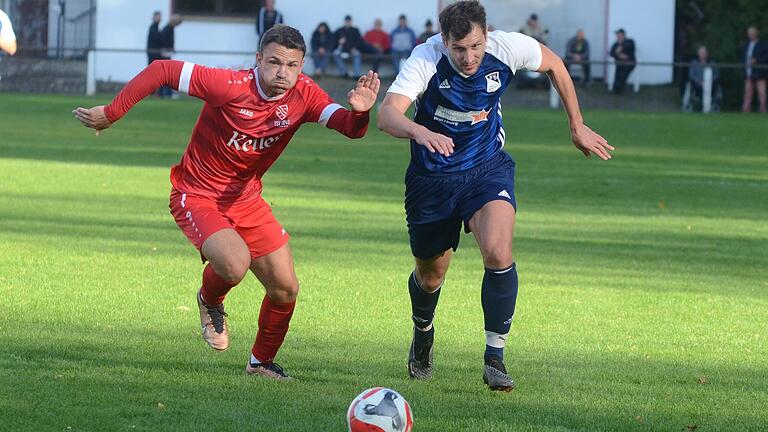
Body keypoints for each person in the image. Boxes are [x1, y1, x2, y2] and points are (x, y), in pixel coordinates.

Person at [72, 25, 380, 380]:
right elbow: (162, 69)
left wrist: (360, 112)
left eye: (292, 65)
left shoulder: (304, 95)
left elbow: (349, 128)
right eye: (275, 62)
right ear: (258, 59)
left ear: (302, 65)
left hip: (246, 200)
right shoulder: (229, 86)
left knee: (285, 288)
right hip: (197, 194)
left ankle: (260, 363)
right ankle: (210, 299)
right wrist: (112, 112)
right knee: (234, 264)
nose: (283, 73)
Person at [377, 0, 612, 392]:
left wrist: (577, 124)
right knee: (431, 275)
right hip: (432, 180)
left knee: (499, 252)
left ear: (487, 35)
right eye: (458, 48)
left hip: (487, 170)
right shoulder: (426, 58)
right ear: (444, 40)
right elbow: (387, 114)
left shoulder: (507, 48)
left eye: (475, 46)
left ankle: (495, 358)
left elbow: (555, 64)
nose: (468, 57)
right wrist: (421, 132)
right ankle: (423, 331)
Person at [741, 26, 768, 113]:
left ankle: (762, 110)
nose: (750, 35)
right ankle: (746, 110)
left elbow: (766, 57)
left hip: (760, 74)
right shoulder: (746, 45)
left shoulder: (763, 45)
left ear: (756, 34)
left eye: (752, 33)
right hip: (749, 73)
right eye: (749, 33)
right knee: (747, 93)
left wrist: (756, 60)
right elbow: (743, 58)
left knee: (762, 93)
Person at [156, 14, 182, 98]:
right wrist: (168, 48)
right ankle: (165, 92)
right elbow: (164, 41)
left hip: (167, 53)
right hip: (165, 53)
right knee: (166, 74)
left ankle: (166, 92)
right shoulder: (166, 29)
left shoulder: (170, 29)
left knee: (167, 74)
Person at [609, 28, 636, 94]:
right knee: (618, 72)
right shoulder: (616, 43)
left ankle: (618, 88)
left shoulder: (630, 41)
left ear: (623, 35)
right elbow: (611, 53)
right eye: (617, 35)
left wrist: (621, 46)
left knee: (623, 73)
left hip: (630, 62)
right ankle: (617, 89)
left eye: (619, 34)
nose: (617, 36)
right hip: (619, 63)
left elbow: (630, 47)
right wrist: (618, 55)